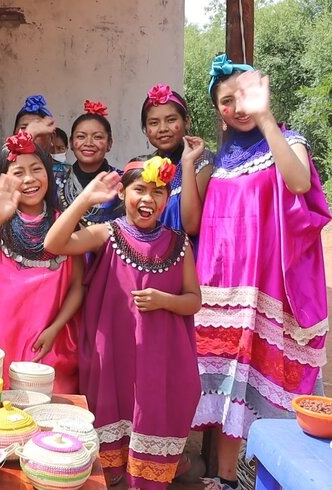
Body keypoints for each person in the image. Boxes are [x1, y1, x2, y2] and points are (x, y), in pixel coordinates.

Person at [193, 55, 330, 490]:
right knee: (229, 381)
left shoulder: (290, 141)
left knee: (264, 377)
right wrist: (191, 160)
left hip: (269, 283)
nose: (237, 107)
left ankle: (282, 473)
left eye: (246, 96)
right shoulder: (221, 160)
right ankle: (228, 477)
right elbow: (196, 220)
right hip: (221, 285)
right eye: (226, 101)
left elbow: (298, 183)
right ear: (218, 110)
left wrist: (267, 118)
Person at [44, 157, 201, 489]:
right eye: (139, 190)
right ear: (123, 193)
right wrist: (85, 199)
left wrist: (165, 301)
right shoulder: (106, 233)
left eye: (158, 192)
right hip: (113, 356)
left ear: (167, 198)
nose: (148, 199)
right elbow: (54, 243)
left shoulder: (179, 243)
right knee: (112, 427)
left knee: (153, 413)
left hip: (162, 360)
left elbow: (193, 300)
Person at [0, 131, 82, 393]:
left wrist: (56, 328)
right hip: (1, 336)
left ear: (48, 173)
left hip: (50, 339)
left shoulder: (65, 223)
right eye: (18, 173)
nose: (29, 179)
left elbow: (77, 286)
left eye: (36, 169)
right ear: (2, 179)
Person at [139, 84, 213, 237]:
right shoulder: (144, 166)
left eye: (171, 120)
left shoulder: (202, 161)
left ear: (186, 121)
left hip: (188, 255)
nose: (163, 128)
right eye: (154, 123)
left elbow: (192, 226)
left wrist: (187, 164)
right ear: (146, 130)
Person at [57, 101, 124, 226]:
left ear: (109, 144)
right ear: (71, 143)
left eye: (97, 137)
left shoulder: (123, 182)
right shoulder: (57, 182)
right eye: (81, 137)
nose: (88, 143)